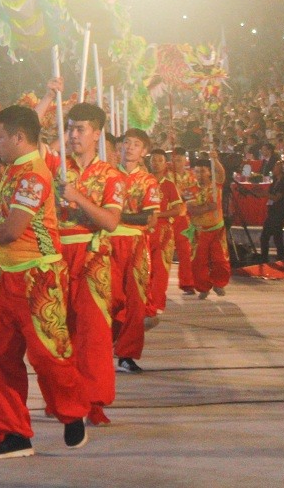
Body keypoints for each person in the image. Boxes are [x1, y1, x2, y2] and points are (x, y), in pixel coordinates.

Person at [0, 105, 88, 458]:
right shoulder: (11, 171)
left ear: (20, 137)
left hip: (38, 277)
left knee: (48, 356)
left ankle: (72, 412)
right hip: (7, 278)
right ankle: (14, 435)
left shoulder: (33, 177)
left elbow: (12, 231)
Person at [55, 103, 123, 426]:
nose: (73, 135)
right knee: (59, 331)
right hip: (56, 257)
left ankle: (93, 401)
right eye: (70, 128)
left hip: (92, 257)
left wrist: (76, 197)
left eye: (81, 129)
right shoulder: (56, 168)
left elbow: (109, 221)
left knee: (93, 332)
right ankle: (64, 397)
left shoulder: (111, 176)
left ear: (97, 134)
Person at [110, 129, 160, 374]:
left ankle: (127, 353)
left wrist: (116, 216)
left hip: (136, 245)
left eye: (136, 144)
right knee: (109, 297)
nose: (129, 147)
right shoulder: (107, 175)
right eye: (126, 143)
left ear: (144, 152)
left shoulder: (148, 181)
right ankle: (105, 342)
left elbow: (148, 217)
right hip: (109, 243)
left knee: (135, 300)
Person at [185, 153, 230, 298]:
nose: (200, 174)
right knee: (198, 261)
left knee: (220, 259)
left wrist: (215, 159)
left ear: (210, 172)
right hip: (199, 232)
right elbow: (191, 209)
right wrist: (209, 207)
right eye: (197, 171)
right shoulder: (189, 190)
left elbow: (222, 173)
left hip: (217, 230)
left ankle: (219, 283)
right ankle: (203, 288)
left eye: (203, 171)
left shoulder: (216, 186)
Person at [147, 149, 184, 317]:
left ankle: (156, 303)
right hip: (144, 231)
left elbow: (178, 209)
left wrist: (158, 215)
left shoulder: (169, 185)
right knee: (144, 269)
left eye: (159, 160)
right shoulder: (143, 181)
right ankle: (144, 302)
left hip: (163, 232)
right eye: (153, 160)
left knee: (160, 269)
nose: (155, 163)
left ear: (165, 163)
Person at [169, 149, 197, 294]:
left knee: (185, 250)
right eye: (174, 159)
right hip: (168, 217)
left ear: (185, 160)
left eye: (180, 159)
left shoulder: (191, 176)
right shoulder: (167, 175)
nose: (176, 163)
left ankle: (187, 282)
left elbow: (194, 194)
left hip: (183, 216)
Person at [256, 158, 284, 262]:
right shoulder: (275, 181)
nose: (273, 169)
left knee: (266, 236)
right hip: (273, 211)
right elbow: (269, 194)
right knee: (277, 235)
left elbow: (276, 197)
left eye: (276, 167)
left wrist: (266, 194)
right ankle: (279, 256)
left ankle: (264, 257)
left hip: (279, 212)